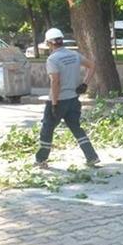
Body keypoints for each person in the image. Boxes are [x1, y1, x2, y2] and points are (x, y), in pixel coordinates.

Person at [34, 28, 100, 168]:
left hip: (59, 100)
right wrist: (84, 84)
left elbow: (55, 82)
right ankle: (92, 156)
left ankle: (41, 160)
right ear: (61, 40)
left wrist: (54, 103)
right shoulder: (74, 54)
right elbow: (92, 66)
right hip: (73, 99)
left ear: (49, 43)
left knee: (47, 128)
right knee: (76, 128)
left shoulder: (53, 59)